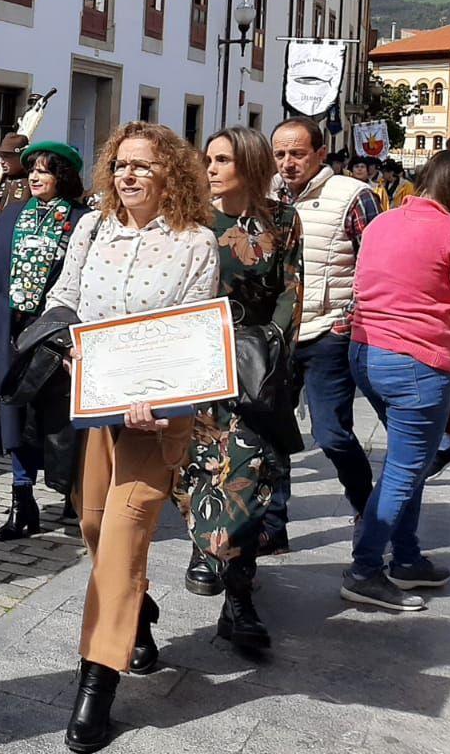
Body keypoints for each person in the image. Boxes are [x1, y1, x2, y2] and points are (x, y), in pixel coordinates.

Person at [43, 121, 218, 752]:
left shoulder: (196, 243)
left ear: (170, 171)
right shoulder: (92, 229)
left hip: (156, 417)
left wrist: (163, 394)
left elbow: (195, 330)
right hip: (96, 407)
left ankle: (97, 682)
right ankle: (136, 613)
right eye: (121, 165)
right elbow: (63, 299)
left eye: (143, 165)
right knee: (92, 525)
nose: (129, 175)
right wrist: (67, 349)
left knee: (119, 539)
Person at [180, 127, 303, 649]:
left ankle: (239, 597)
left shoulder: (281, 220)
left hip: (255, 369)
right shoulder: (190, 219)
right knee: (198, 471)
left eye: (222, 160)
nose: (210, 168)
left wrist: (275, 353)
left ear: (249, 167)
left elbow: (290, 291)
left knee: (252, 475)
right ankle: (209, 549)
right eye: (208, 158)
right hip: (198, 363)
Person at [340, 151, 450, 611]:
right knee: (404, 469)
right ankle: (366, 569)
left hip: (366, 353)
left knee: (406, 461)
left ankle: (408, 558)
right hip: (418, 362)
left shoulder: (383, 223)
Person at [260, 118, 382, 555]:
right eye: (280, 154)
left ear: (319, 153)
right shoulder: (266, 196)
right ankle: (273, 526)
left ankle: (366, 507)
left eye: (297, 154)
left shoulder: (353, 195)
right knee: (273, 433)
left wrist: (349, 316)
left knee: (331, 434)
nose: (288, 164)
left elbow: (377, 261)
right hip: (278, 334)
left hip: (328, 330)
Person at [0, 141, 88, 540]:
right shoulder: (14, 215)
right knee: (17, 415)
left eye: (45, 170)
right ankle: (23, 500)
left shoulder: (82, 220)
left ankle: (74, 493)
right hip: (14, 332)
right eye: (32, 168)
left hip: (58, 337)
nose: (35, 176)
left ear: (64, 177)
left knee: (63, 418)